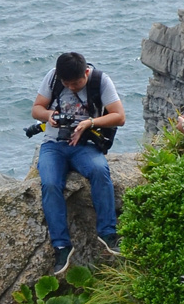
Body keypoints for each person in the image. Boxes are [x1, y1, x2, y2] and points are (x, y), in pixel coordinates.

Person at [31, 51, 126, 271]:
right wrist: (49, 116)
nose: (72, 87)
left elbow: (119, 116)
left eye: (76, 83)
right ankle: (62, 245)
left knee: (99, 171)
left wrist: (89, 123)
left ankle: (107, 232)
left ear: (86, 72)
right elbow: (36, 109)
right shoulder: (53, 78)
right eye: (67, 84)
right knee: (51, 183)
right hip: (54, 144)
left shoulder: (100, 80)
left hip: (85, 145)